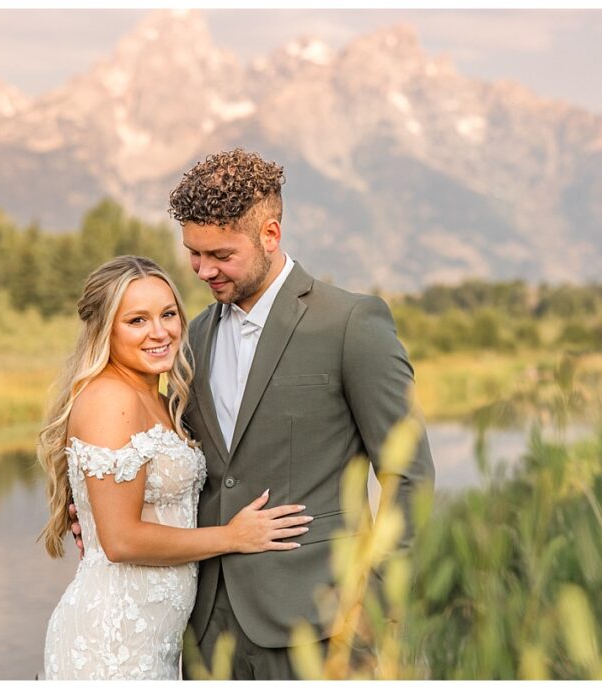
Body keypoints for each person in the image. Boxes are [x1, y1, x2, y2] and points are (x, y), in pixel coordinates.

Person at [72, 149, 435, 679]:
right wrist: (81, 506)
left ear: (270, 234)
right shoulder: (187, 337)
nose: (202, 270)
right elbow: (126, 434)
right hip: (202, 627)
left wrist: (376, 606)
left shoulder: (351, 323)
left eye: (219, 254)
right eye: (193, 254)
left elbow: (410, 474)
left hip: (322, 623)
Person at [38, 256, 312, 680]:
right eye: (136, 320)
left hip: (156, 640)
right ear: (104, 329)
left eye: (168, 314)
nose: (159, 332)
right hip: (113, 640)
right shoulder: (111, 399)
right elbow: (121, 541)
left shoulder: (164, 399)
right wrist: (233, 537)